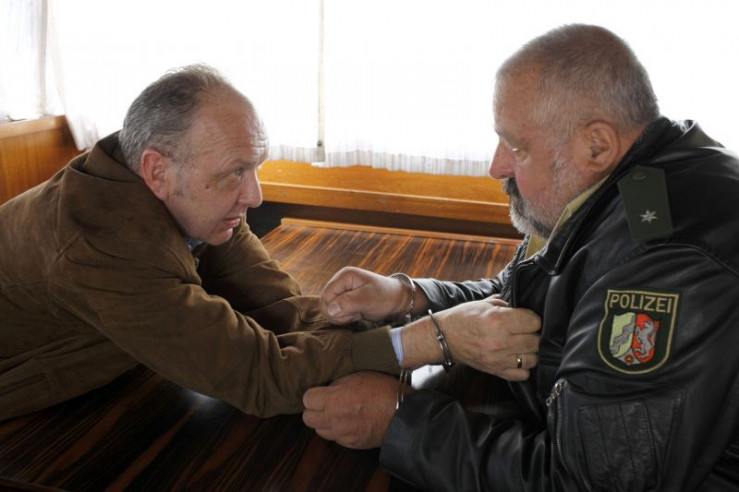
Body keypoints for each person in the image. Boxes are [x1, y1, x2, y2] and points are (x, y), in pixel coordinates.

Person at [302, 24, 739, 490]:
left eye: (516, 147)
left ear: (597, 144)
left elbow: (586, 484)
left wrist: (398, 420)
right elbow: (544, 290)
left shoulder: (667, 265)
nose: (497, 167)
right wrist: (410, 296)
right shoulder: (639, 183)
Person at [0, 64, 539, 422]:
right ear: (157, 170)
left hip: (110, 372)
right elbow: (258, 375)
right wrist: (430, 340)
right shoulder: (102, 244)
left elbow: (279, 306)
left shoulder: (187, 192)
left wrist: (391, 321)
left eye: (254, 167)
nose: (254, 196)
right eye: (235, 172)